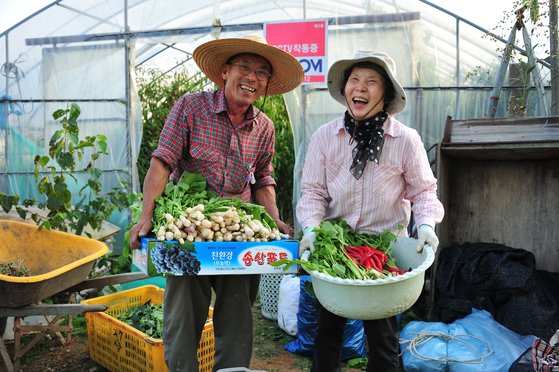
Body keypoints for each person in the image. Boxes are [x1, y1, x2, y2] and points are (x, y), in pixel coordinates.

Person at [128, 34, 304, 371]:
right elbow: (162, 162)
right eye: (245, 67)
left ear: (267, 84)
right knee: (183, 314)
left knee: (238, 313)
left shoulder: (264, 127)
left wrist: (275, 221)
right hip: (188, 231)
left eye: (262, 73)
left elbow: (263, 180)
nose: (252, 78)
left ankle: (232, 368)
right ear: (225, 71)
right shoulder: (191, 107)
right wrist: (147, 215)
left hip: (236, 231)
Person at [296, 50, 444, 371]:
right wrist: (310, 229)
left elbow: (423, 191)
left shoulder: (405, 140)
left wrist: (427, 226)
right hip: (335, 252)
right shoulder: (325, 137)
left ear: (386, 93)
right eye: (354, 80)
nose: (360, 88)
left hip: (383, 255)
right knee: (327, 331)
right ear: (345, 88)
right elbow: (313, 193)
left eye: (371, 82)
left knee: (383, 338)